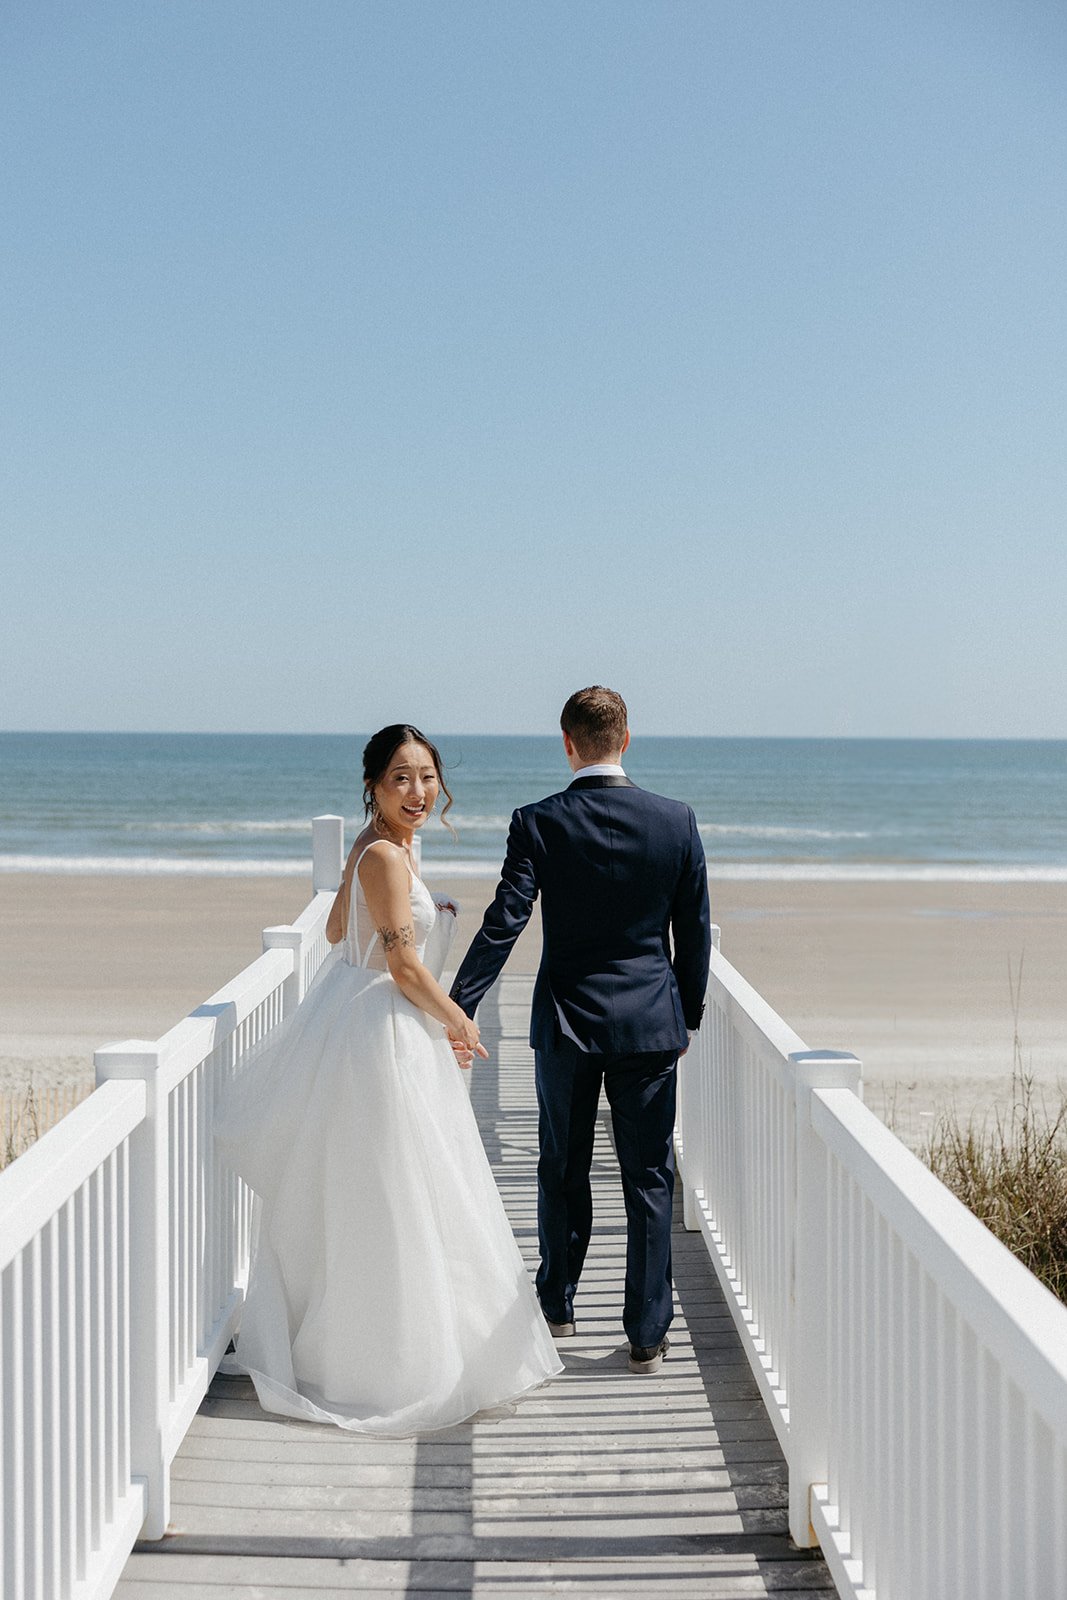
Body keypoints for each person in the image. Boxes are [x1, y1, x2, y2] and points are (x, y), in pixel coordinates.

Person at [214, 724, 562, 1433]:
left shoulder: (379, 847)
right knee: (392, 1189)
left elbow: (341, 931)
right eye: (400, 778)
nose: (417, 792)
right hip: (380, 1035)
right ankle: (385, 1360)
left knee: (390, 1186)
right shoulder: (384, 855)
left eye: (427, 777)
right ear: (372, 784)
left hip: (365, 1022)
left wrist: (404, 907)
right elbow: (402, 968)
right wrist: (458, 1022)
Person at [449, 687, 712, 1374]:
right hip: (651, 1024)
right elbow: (694, 931)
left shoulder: (538, 822)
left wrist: (460, 1001)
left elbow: (505, 919)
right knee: (648, 1177)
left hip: (565, 1021)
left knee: (561, 1167)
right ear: (625, 739)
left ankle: (558, 1305)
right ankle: (646, 1334)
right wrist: (686, 1013)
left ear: (566, 743)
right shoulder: (675, 822)